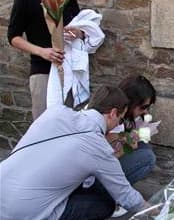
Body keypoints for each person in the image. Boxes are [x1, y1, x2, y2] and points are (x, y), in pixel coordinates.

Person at [0, 85, 149, 220]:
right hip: (25, 213)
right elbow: (125, 195)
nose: (118, 124)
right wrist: (156, 211)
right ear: (113, 113)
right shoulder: (96, 145)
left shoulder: (55, 112)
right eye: (120, 119)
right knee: (106, 204)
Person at [7, 0, 84, 120]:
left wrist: (79, 33)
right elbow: (13, 37)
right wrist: (42, 52)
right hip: (43, 73)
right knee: (44, 127)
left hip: (70, 72)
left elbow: (82, 27)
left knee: (69, 126)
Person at [107, 75, 159, 217]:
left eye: (148, 107)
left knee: (145, 149)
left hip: (102, 163)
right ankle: (110, 198)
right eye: (143, 107)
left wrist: (129, 139)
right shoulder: (113, 117)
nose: (146, 111)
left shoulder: (120, 112)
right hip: (95, 173)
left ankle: (116, 196)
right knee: (146, 157)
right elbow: (108, 156)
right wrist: (129, 144)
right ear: (131, 102)